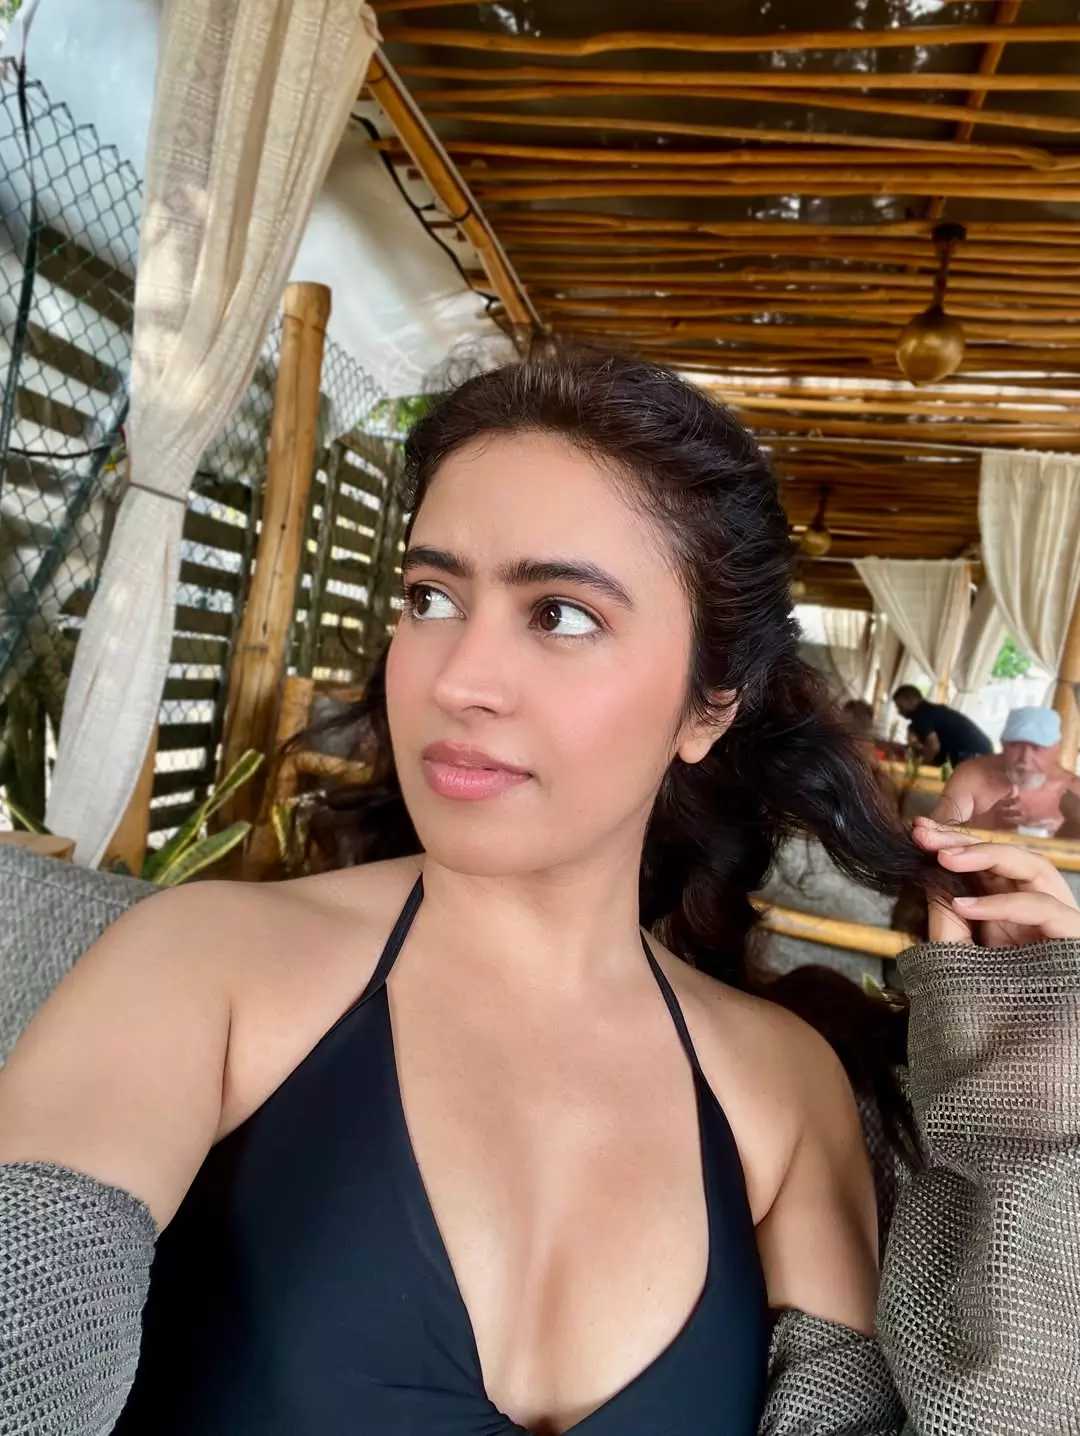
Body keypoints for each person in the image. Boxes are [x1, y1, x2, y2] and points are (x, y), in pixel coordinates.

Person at [1, 349, 1079, 1435]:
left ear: (709, 705)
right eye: (430, 597)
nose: (458, 677)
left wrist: (1032, 1105)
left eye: (560, 613)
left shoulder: (782, 1092)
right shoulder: (202, 971)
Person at [933, 705, 1080, 837]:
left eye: (1036, 748)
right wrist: (984, 822)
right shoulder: (971, 775)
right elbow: (933, 835)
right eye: (1015, 746)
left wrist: (1064, 832)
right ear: (1003, 745)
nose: (1025, 758)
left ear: (1056, 749)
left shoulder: (1074, 788)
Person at [892, 683, 993, 770]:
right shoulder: (933, 711)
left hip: (971, 755)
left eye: (899, 706)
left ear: (910, 700)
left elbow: (933, 747)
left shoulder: (921, 714)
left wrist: (919, 766)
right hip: (984, 753)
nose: (899, 712)